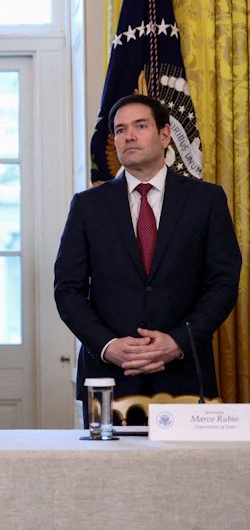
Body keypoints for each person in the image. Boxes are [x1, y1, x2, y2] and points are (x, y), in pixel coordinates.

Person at [54, 94, 241, 417]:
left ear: (165, 135)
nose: (129, 136)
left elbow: (223, 284)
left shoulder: (206, 200)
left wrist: (178, 342)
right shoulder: (87, 206)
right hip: (109, 377)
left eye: (140, 126)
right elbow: (67, 290)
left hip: (184, 373)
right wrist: (109, 346)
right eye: (120, 130)